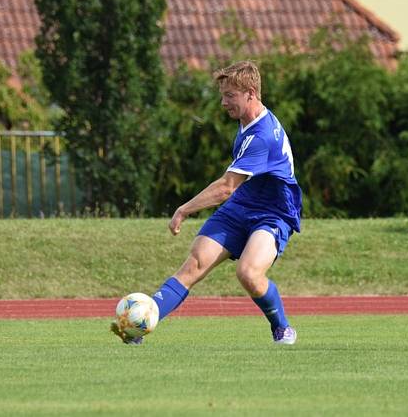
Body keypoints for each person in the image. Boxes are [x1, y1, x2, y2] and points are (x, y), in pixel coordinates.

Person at [111, 61, 302, 345]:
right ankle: (138, 330)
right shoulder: (248, 121)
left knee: (248, 273)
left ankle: (282, 327)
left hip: (273, 214)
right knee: (192, 267)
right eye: (222, 95)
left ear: (251, 93)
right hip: (241, 207)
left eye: (230, 95)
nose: (223, 102)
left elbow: (226, 187)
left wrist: (184, 209)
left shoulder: (262, 135)